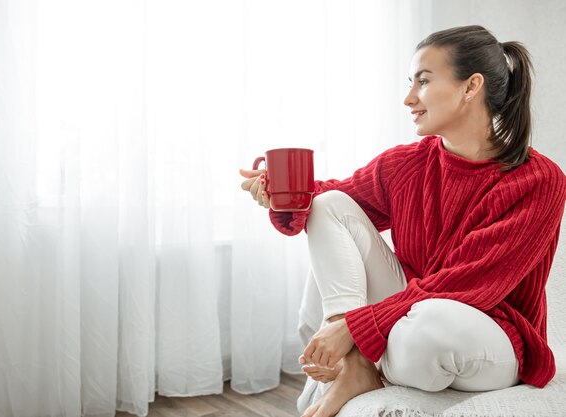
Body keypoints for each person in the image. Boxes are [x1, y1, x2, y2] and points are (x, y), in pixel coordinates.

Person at [239, 25, 566, 417]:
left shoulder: (538, 179)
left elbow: (466, 285)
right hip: (411, 314)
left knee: (432, 321)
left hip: (487, 335)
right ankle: (357, 365)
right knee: (328, 204)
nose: (409, 98)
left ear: (470, 87)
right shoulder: (408, 163)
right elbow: (331, 200)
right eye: (411, 83)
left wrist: (356, 328)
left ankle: (362, 349)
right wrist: (282, 194)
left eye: (423, 82)